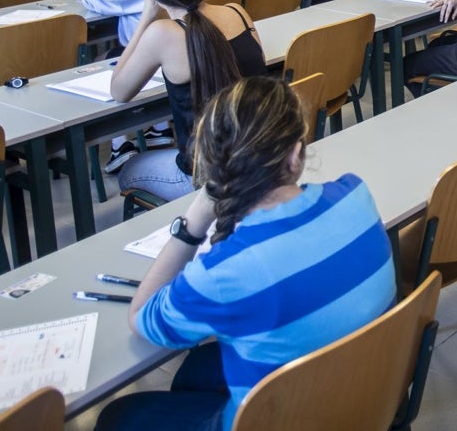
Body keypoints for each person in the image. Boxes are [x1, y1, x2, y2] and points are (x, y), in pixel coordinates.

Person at [96, 76, 396, 431]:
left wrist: (192, 224)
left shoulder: (224, 274)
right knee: (196, 370)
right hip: (366, 394)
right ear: (297, 154)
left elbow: (142, 318)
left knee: (119, 416)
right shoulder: (354, 195)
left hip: (286, 417)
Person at [110, 0, 267, 201]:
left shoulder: (162, 33)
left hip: (207, 176)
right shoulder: (237, 12)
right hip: (259, 157)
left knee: (129, 170)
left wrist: (146, 19)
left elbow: (119, 91)